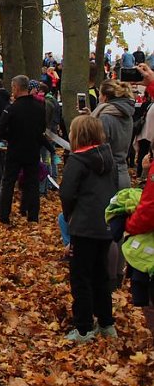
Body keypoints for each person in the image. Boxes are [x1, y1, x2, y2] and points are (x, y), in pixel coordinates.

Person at [60, 115, 118, 342]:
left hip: (84, 227)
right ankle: (106, 322)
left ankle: (84, 327)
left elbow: (66, 192)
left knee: (81, 277)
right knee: (100, 275)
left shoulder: (77, 160)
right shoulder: (109, 158)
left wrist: (70, 217)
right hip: (105, 225)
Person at [0, 75, 47, 224]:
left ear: (16, 88)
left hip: (15, 150)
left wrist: (9, 137)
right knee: (32, 183)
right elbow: (42, 128)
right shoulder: (39, 107)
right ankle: (33, 216)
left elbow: (0, 130)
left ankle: (4, 215)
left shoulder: (12, 108)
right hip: (33, 149)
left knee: (9, 182)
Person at [91, 79, 135, 189]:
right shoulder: (126, 114)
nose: (99, 97)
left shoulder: (105, 117)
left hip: (109, 177)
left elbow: (100, 148)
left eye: (100, 94)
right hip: (123, 172)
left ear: (105, 97)